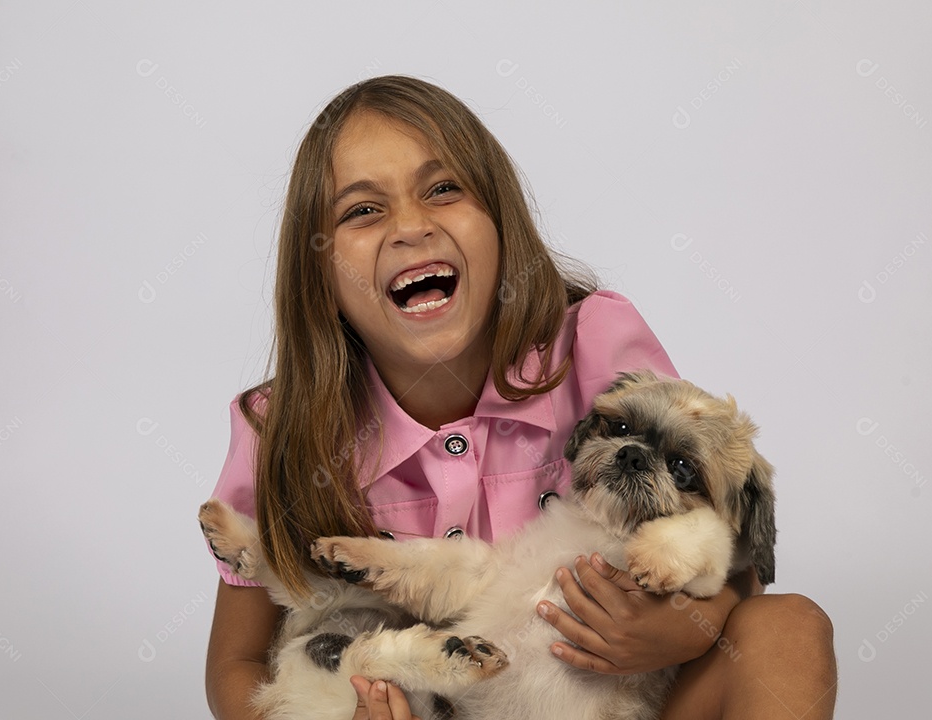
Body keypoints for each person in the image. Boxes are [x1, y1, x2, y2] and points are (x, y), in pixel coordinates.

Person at [203, 75, 836, 720]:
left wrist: (694, 623)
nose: (411, 227)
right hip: (437, 700)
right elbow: (237, 663)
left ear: (501, 220)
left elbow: (726, 547)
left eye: (443, 189)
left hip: (610, 705)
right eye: (362, 210)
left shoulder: (595, 348)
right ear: (318, 269)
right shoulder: (282, 427)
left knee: (787, 629)